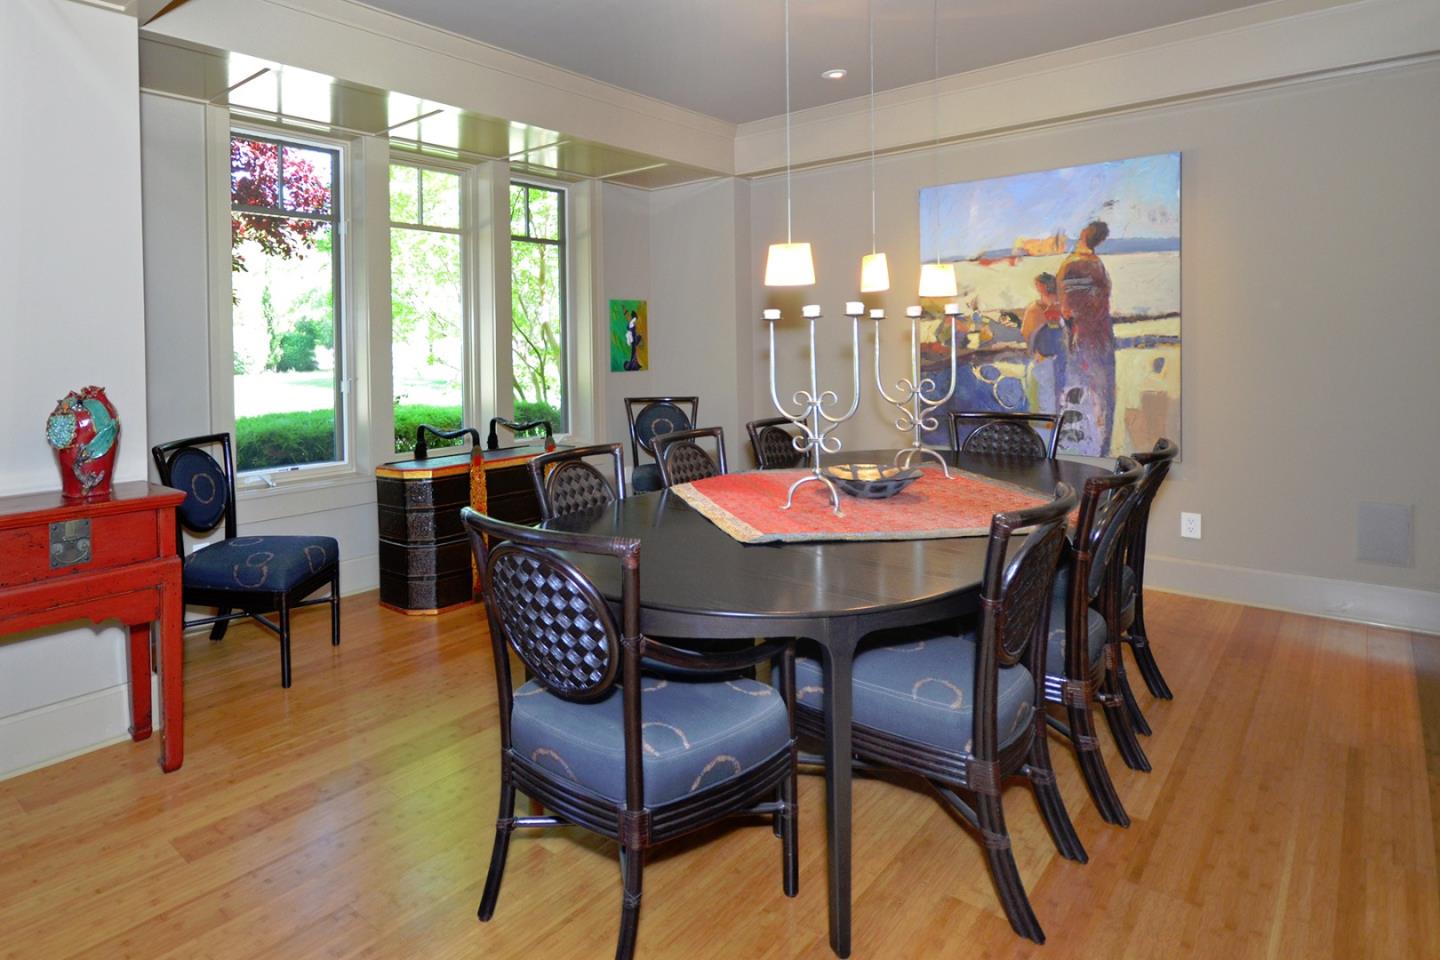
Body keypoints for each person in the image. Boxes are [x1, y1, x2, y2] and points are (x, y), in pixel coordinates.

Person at [1056, 221, 1116, 454]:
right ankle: (1100, 448)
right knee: (1099, 395)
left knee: (1077, 394)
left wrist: (1070, 330)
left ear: (1083, 235)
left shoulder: (1070, 265)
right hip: (1097, 336)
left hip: (1078, 336)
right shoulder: (1094, 265)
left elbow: (1067, 308)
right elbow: (1097, 301)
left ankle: (1082, 448)